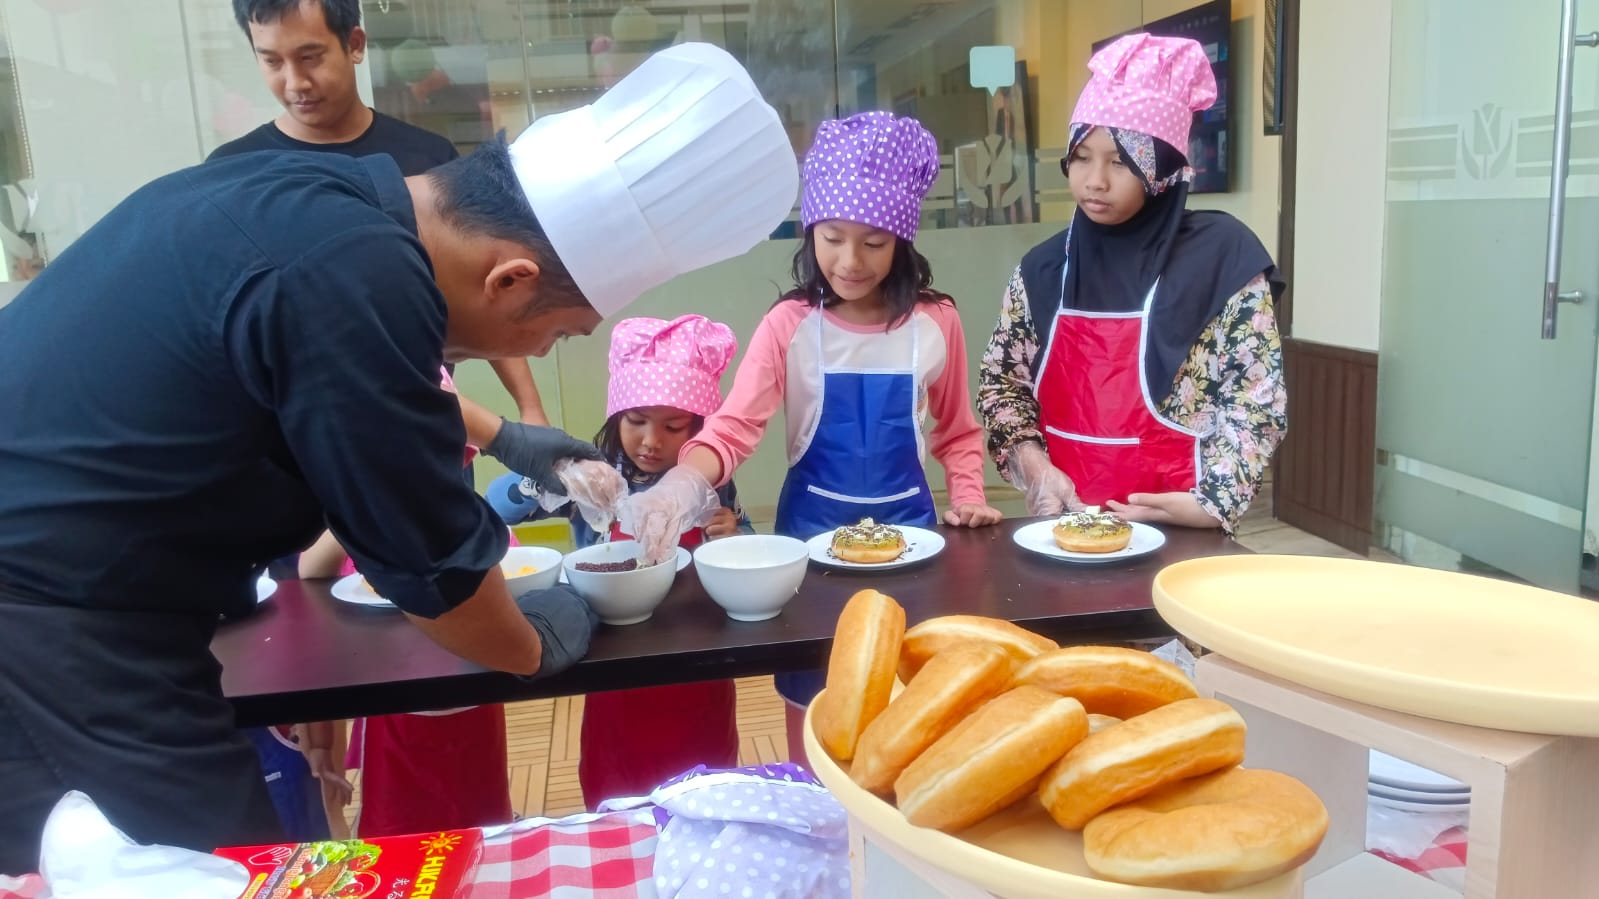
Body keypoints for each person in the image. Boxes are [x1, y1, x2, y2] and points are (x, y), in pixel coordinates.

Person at [0, 42, 798, 872]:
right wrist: (532, 639)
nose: (552, 345)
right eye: (561, 331)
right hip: (47, 612)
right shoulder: (356, 275)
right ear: (510, 280)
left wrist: (505, 436)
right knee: (206, 872)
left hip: (90, 592)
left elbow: (328, 377)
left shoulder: (338, 205)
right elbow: (445, 585)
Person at [623, 112, 1002, 766]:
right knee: (816, 710)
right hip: (810, 547)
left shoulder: (935, 322)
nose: (848, 262)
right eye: (831, 238)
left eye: (873, 243)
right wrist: (682, 482)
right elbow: (736, 427)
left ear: (903, 241)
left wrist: (966, 494)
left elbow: (957, 428)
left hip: (909, 544)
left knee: (903, 714)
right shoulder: (788, 324)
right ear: (809, 232)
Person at [977, 34, 1286, 535]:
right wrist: (1036, 470)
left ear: (1162, 166)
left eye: (1120, 161)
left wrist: (1214, 502)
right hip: (1065, 529)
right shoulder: (1042, 269)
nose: (1094, 180)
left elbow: (1256, 397)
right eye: (1081, 156)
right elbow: (1002, 385)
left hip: (1182, 530)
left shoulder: (1221, 259)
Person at [212, 0, 550, 429]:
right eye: (272, 61)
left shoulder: (429, 160)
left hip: (427, 422)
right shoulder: (234, 171)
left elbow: (488, 290)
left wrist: (529, 409)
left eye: (310, 57)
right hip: (292, 437)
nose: (295, 82)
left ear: (354, 43)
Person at [492, 315, 752, 807]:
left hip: (696, 656)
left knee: (704, 783)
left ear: (700, 432)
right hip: (614, 655)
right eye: (636, 422)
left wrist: (731, 533)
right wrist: (540, 477)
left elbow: (743, 549)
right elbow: (500, 508)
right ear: (617, 418)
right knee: (619, 780)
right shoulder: (599, 475)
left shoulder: (710, 482)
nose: (651, 441)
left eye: (674, 427)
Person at [296, 365, 529, 837]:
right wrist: (364, 510)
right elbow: (309, 576)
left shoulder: (475, 526)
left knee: (479, 825)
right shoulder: (358, 528)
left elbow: (517, 574)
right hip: (397, 710)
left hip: (474, 704)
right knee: (400, 830)